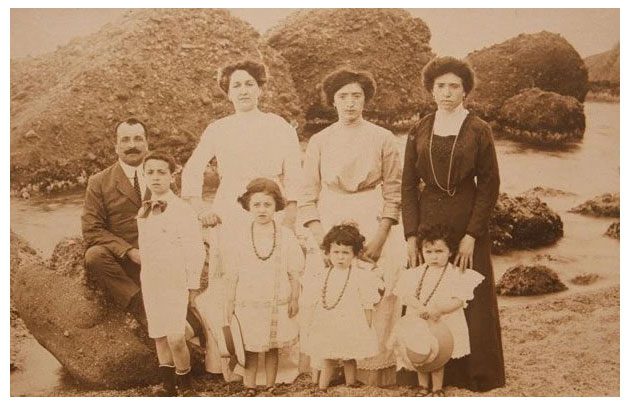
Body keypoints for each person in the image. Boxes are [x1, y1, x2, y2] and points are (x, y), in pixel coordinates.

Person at [181, 60, 302, 378]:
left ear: (260, 88)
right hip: (231, 212)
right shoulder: (218, 129)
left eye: (250, 83)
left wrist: (289, 216)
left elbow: (295, 174)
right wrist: (200, 210)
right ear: (228, 92)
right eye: (237, 85)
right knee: (233, 281)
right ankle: (232, 360)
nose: (244, 90)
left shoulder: (279, 125)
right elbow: (192, 171)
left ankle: (279, 363)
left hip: (269, 206)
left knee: (271, 278)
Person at [401, 56, 505, 391]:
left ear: (465, 91)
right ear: (431, 89)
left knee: (468, 291)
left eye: (454, 86)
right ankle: (423, 361)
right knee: (424, 284)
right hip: (428, 217)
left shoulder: (478, 129)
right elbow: (407, 184)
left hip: (465, 216)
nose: (447, 92)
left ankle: (471, 373)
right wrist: (411, 234)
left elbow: (489, 184)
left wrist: (472, 234)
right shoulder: (419, 128)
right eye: (440, 86)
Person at [300, 67, 404, 386]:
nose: (349, 103)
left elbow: (393, 190)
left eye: (356, 96)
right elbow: (307, 194)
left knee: (378, 285)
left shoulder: (383, 138)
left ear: (366, 100)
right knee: (327, 287)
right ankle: (328, 364)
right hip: (331, 213)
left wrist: (381, 235)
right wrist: (321, 240)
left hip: (371, 212)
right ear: (332, 101)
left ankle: (371, 368)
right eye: (343, 96)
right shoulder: (319, 140)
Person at [224, 178, 303, 396]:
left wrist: (295, 298)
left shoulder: (285, 235)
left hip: (276, 300)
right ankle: (249, 385)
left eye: (267, 205)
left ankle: (270, 384)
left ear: (276, 206)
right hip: (248, 301)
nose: (262, 210)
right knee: (249, 346)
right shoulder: (240, 235)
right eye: (257, 204)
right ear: (248, 205)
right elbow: (232, 273)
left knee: (271, 346)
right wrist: (229, 303)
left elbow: (295, 271)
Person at [136, 151, 206, 396]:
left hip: (175, 280)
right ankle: (167, 387)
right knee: (159, 335)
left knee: (176, 336)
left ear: (172, 176)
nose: (156, 177)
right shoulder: (143, 212)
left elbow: (195, 249)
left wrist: (192, 285)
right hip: (153, 280)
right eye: (150, 172)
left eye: (162, 172)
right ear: (144, 176)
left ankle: (186, 386)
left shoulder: (182, 210)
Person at [390, 224, 484, 396]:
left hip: (442, 321)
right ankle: (423, 386)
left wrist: (441, 309)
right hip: (419, 318)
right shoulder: (415, 273)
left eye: (439, 252)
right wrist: (419, 307)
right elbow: (406, 295)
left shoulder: (455, 274)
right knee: (419, 352)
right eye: (429, 252)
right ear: (422, 252)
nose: (434, 257)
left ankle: (437, 388)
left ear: (450, 252)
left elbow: (460, 300)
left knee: (438, 354)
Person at [82, 118, 150, 320]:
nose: (132, 145)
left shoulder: (160, 173)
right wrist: (129, 251)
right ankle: (139, 307)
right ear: (116, 147)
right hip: (124, 261)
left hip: (159, 255)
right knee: (94, 256)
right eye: (125, 140)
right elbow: (92, 229)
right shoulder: (99, 182)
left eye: (138, 139)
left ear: (147, 144)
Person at [303, 223, 381, 391]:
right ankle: (322, 387)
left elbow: (367, 301)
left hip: (351, 321)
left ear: (354, 254)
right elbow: (313, 300)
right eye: (336, 252)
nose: (340, 257)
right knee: (328, 356)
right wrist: (311, 323)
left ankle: (351, 383)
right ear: (328, 253)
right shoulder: (323, 275)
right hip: (328, 322)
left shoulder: (360, 276)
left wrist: (367, 325)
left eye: (345, 253)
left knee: (349, 354)